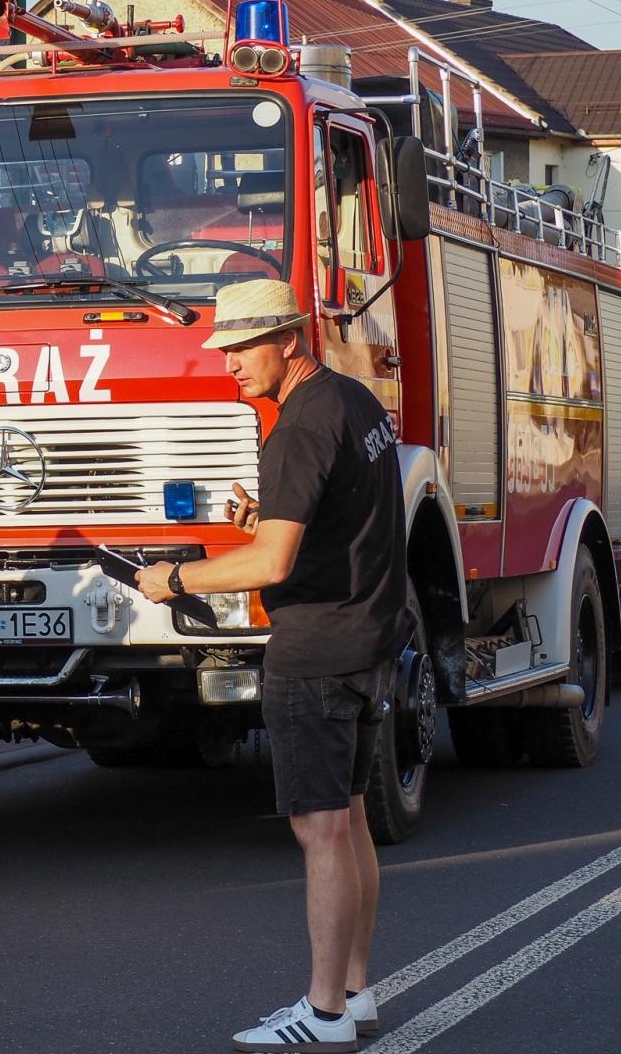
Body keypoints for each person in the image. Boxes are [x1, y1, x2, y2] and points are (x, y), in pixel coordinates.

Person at [135, 279, 405, 1054]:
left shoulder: (296, 427)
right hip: (368, 637)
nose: (229, 364)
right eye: (223, 349)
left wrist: (175, 578)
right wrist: (270, 515)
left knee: (318, 828)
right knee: (349, 817)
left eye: (243, 348)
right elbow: (349, 515)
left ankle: (321, 1014)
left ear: (288, 339)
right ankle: (356, 994)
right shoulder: (354, 401)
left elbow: (274, 563)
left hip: (316, 649)